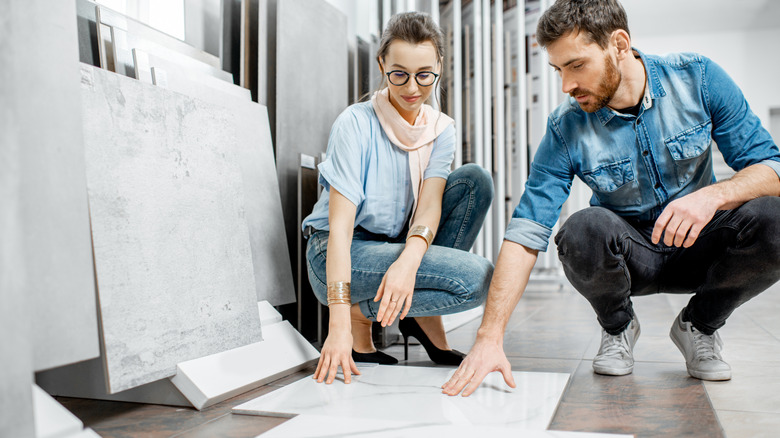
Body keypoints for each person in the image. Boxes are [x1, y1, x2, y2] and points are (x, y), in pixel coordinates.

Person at [442, 0, 780, 396]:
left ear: (619, 43)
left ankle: (700, 326)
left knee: (775, 219)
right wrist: (489, 336)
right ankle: (618, 326)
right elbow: (526, 230)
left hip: (700, 247)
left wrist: (712, 196)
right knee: (581, 229)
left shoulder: (699, 79)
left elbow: (771, 167)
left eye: (576, 65)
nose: (566, 85)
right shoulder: (566, 126)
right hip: (631, 257)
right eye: (559, 70)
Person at [302, 12, 494, 385]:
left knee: (474, 182)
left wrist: (409, 263)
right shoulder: (354, 124)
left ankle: (416, 314)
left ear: (439, 66)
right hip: (337, 253)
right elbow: (340, 230)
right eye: (399, 74)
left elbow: (429, 205)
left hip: (392, 246)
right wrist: (337, 322)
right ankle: (360, 316)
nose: (412, 88)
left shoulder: (440, 130)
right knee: (476, 279)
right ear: (381, 65)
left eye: (425, 75)